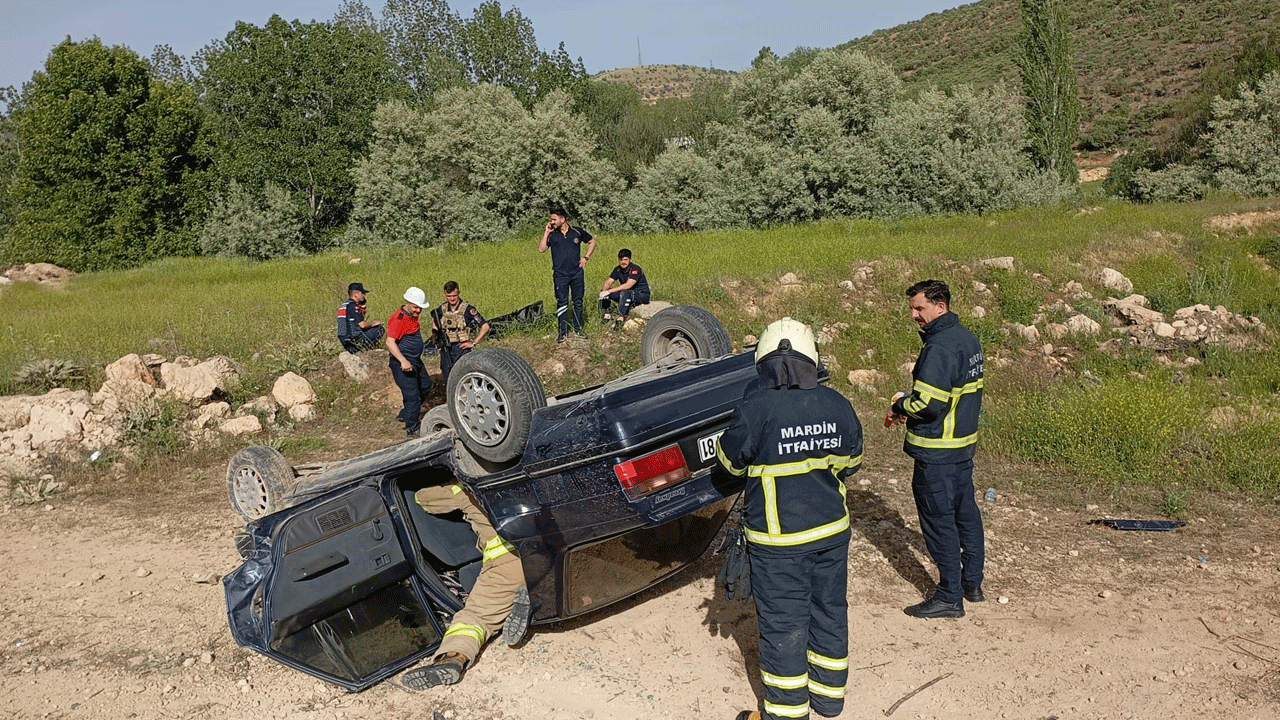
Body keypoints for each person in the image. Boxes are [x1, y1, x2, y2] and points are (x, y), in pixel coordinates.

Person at [717, 318, 864, 720]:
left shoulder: (755, 407)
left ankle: (785, 714)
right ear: (812, 359)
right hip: (833, 533)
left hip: (779, 544)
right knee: (829, 611)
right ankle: (829, 699)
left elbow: (728, 465)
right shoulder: (837, 404)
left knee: (784, 625)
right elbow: (852, 462)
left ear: (763, 361)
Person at [886, 279, 986, 619]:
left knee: (939, 521)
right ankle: (972, 584)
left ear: (939, 306)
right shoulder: (968, 338)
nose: (914, 316)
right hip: (962, 447)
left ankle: (948, 596)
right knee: (966, 515)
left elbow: (928, 403)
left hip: (936, 452)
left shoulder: (939, 347)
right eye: (913, 309)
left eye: (919, 308)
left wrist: (900, 405)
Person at [401, 480, 531, 689]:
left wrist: (442, 482)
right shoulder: (522, 476)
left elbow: (425, 500)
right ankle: (535, 599)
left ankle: (452, 657)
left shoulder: (466, 486)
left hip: (507, 561)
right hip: (549, 550)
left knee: (476, 617)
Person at [537, 206, 596, 343]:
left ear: (563, 219)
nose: (551, 221)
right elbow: (541, 249)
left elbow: (592, 241)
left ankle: (578, 329)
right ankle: (562, 332)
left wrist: (586, 257)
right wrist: (546, 233)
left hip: (576, 273)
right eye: (551, 219)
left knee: (578, 301)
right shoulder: (552, 234)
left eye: (554, 219)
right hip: (560, 274)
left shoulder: (577, 231)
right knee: (562, 302)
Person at [386, 287, 433, 438]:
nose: (418, 310)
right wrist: (403, 361)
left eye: (420, 307)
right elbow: (390, 342)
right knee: (412, 396)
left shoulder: (411, 315)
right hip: (403, 363)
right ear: (407, 302)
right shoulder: (399, 319)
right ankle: (412, 428)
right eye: (416, 307)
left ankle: (405, 414)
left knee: (425, 386)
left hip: (415, 361)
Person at [431, 280, 490, 384]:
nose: (452, 298)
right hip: (446, 348)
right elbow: (435, 322)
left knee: (467, 376)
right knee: (448, 376)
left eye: (454, 295)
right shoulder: (442, 308)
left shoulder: (468, 309)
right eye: (449, 296)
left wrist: (473, 343)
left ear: (459, 293)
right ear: (445, 294)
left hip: (462, 348)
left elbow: (485, 326)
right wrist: (436, 335)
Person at [598, 248, 650, 329]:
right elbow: (608, 282)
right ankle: (607, 315)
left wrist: (609, 291)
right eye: (621, 260)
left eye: (625, 259)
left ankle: (621, 317)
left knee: (625, 292)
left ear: (630, 259)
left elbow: (628, 285)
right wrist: (604, 291)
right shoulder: (618, 269)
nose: (623, 262)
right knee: (605, 292)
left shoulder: (635, 269)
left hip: (641, 294)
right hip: (626, 294)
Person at [336, 282, 384, 353]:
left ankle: (351, 349)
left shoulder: (343, 305)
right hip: (354, 339)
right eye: (362, 293)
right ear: (356, 294)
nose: (364, 295)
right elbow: (362, 325)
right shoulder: (353, 306)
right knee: (379, 329)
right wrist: (375, 323)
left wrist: (363, 309)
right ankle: (364, 350)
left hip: (344, 340)